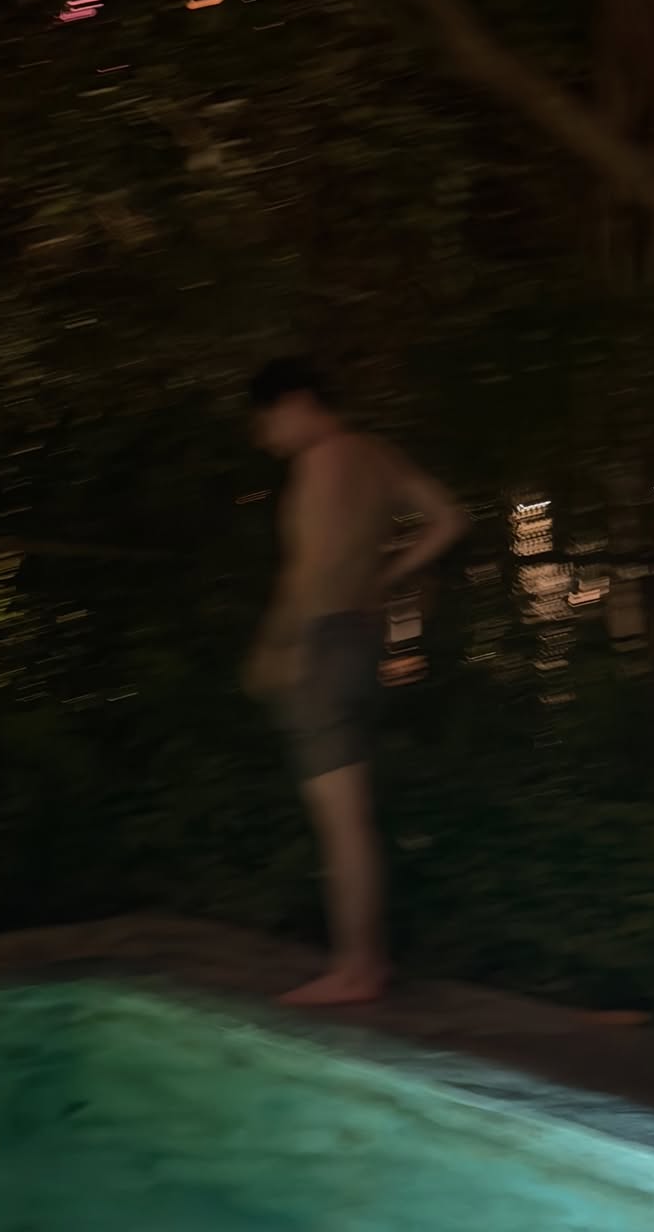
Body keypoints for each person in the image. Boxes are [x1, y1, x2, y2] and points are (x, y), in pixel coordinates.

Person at [243, 357, 468, 1005]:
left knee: (340, 821)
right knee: (355, 813)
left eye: (267, 421)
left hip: (319, 643)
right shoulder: (378, 456)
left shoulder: (320, 462)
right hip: (363, 640)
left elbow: (310, 569)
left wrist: (277, 645)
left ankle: (357, 967)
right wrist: (389, 573)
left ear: (297, 402)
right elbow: (449, 520)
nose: (265, 438)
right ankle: (363, 961)